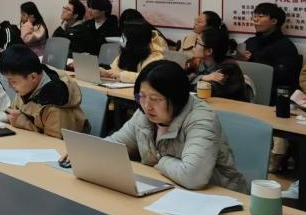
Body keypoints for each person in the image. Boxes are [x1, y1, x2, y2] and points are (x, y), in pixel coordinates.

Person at [105, 60, 247, 191]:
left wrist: (160, 160)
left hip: (220, 195)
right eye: (141, 96)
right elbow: (111, 147)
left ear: (175, 98)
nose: (147, 105)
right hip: (170, 187)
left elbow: (193, 176)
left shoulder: (202, 118)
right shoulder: (144, 114)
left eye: (155, 99)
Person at [0, 45, 88, 138]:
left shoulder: (56, 102)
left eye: (13, 81)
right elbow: (14, 115)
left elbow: (55, 143)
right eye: (7, 81)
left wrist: (24, 123)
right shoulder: (26, 86)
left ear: (33, 77)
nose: (10, 86)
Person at [236, 2, 301, 98]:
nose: (255, 19)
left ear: (274, 21)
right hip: (247, 89)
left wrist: (252, 61)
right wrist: (239, 58)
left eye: (260, 16)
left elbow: (283, 77)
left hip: (272, 93)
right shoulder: (250, 42)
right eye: (255, 16)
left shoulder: (286, 46)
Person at [187, 28, 251, 102]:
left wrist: (196, 79)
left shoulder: (229, 68)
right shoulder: (197, 62)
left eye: (197, 42)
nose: (193, 45)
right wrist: (203, 77)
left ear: (209, 51)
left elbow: (206, 92)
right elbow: (181, 81)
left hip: (233, 107)